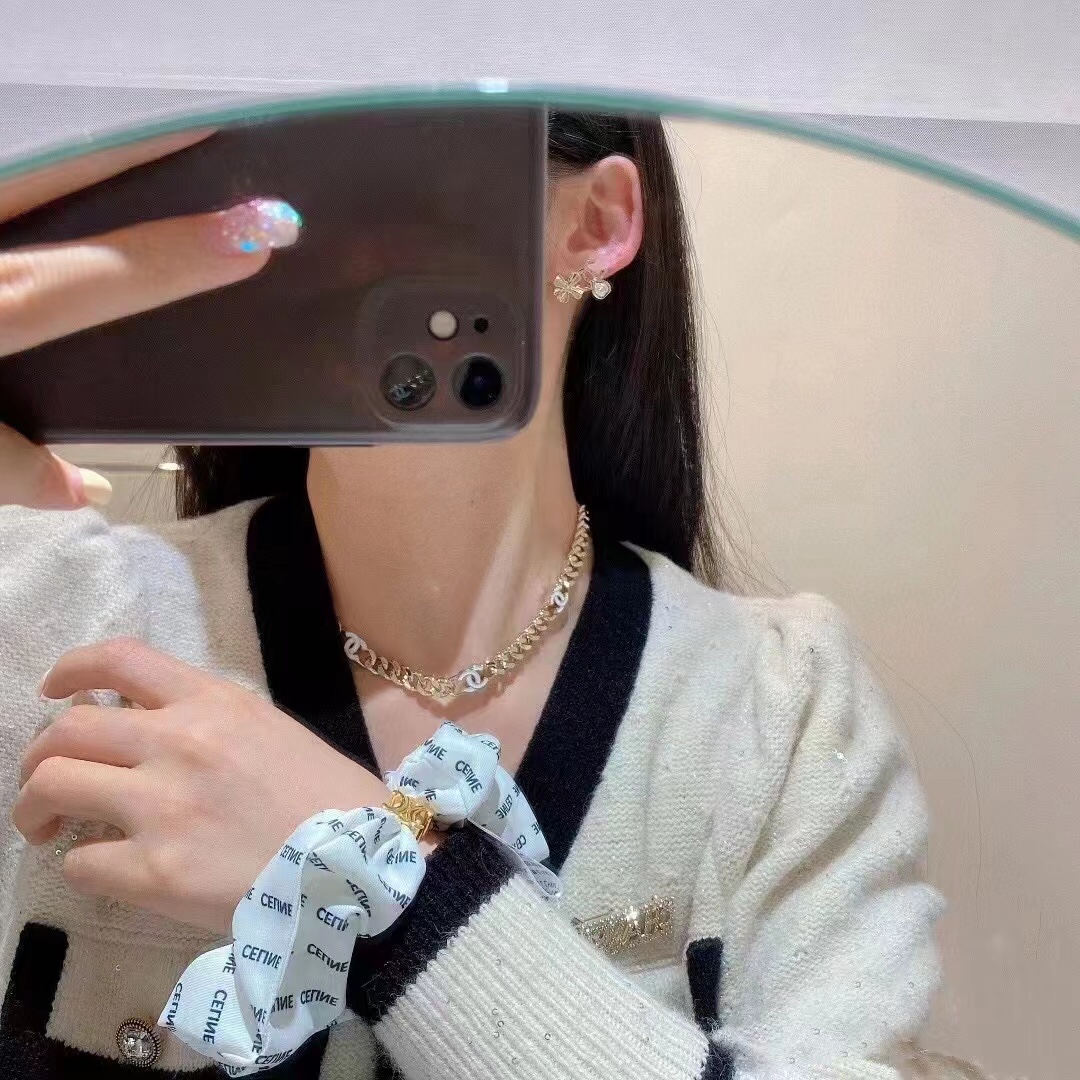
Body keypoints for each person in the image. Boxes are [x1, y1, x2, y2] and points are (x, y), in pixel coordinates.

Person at [0, 111, 944, 1080]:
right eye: (266, 167)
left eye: (396, 154)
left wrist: (392, 893)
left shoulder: (780, 709)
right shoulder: (49, 616)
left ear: (596, 223)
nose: (315, 234)